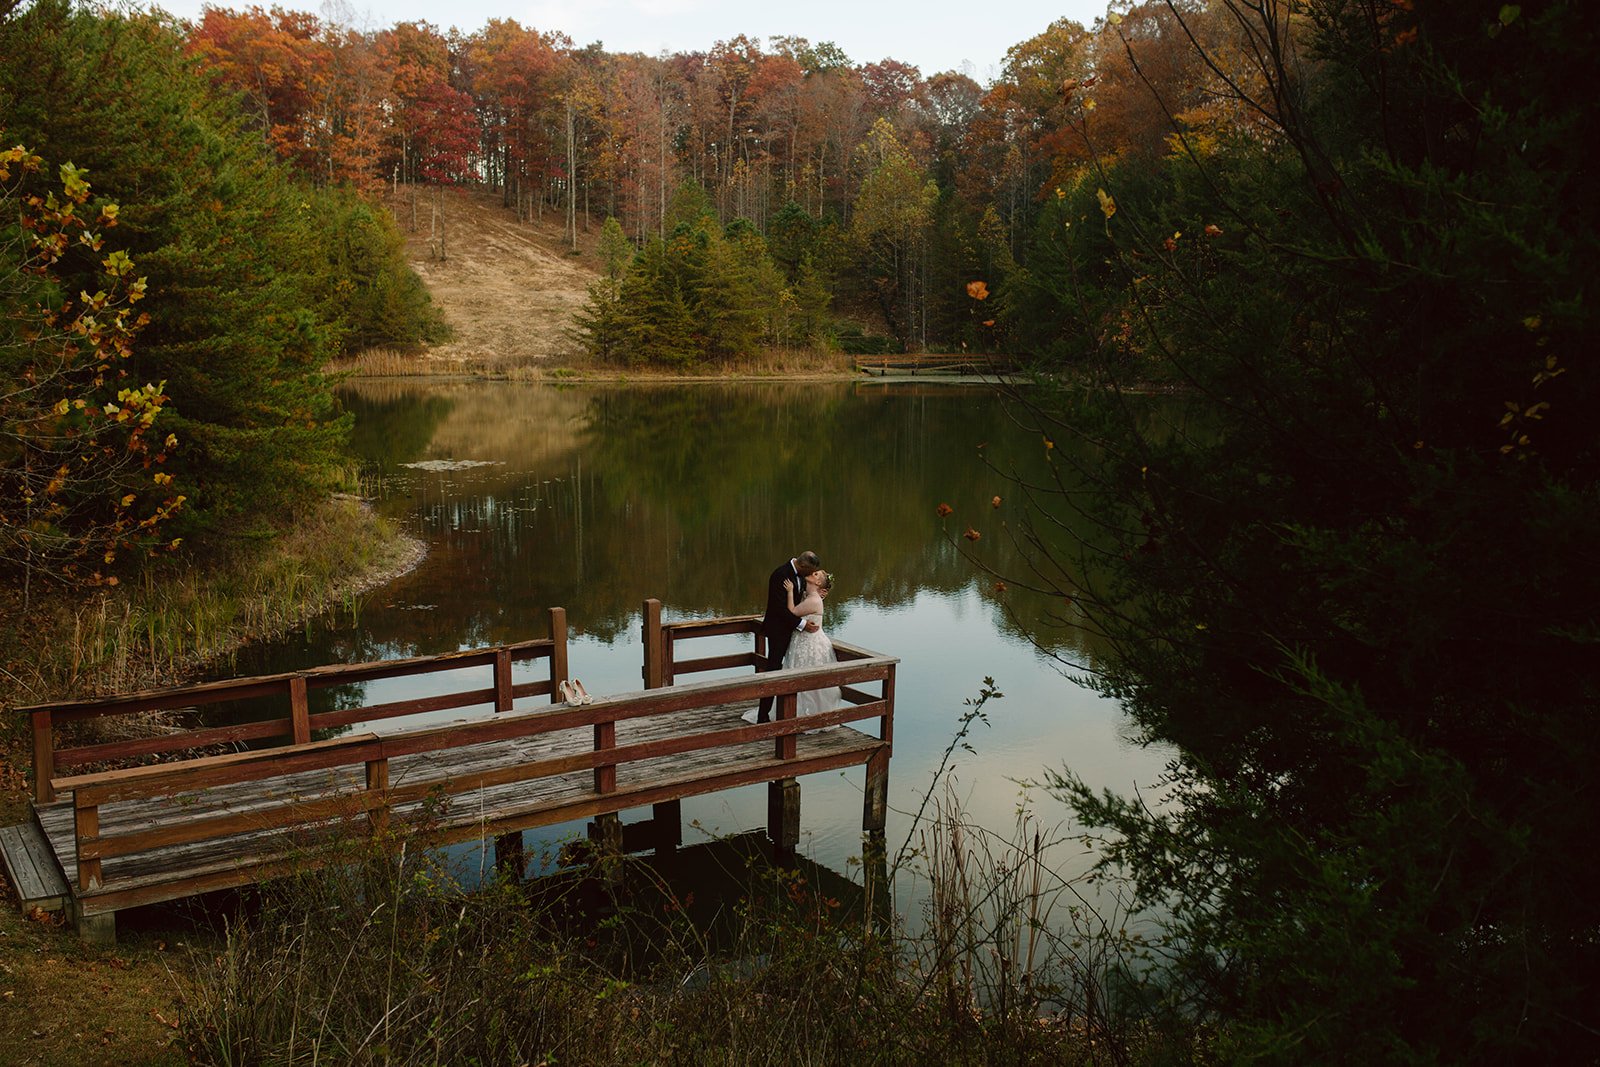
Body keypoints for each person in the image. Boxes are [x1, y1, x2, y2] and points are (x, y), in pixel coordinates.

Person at [756, 551, 820, 723]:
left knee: (792, 668)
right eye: (810, 571)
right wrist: (802, 624)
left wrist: (821, 593)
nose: (810, 575)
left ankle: (794, 711)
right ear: (804, 566)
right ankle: (763, 715)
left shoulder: (801, 575)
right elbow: (779, 609)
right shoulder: (780, 575)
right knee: (773, 670)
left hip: (792, 631)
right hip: (777, 630)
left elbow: (811, 592)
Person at [781, 569, 842, 722]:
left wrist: (789, 592)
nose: (812, 572)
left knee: (808, 680)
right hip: (803, 642)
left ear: (818, 583)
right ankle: (802, 714)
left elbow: (792, 612)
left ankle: (809, 716)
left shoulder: (814, 600)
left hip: (810, 644)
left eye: (816, 574)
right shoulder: (809, 596)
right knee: (802, 677)